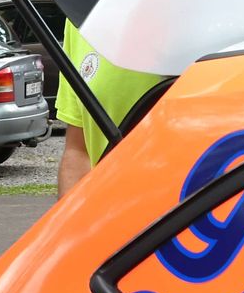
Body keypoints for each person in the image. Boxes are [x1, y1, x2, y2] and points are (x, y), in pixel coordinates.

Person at [55, 18, 164, 197]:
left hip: (185, 206)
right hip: (109, 208)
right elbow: (78, 149)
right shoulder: (80, 16)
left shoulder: (198, 14)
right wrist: (71, 213)